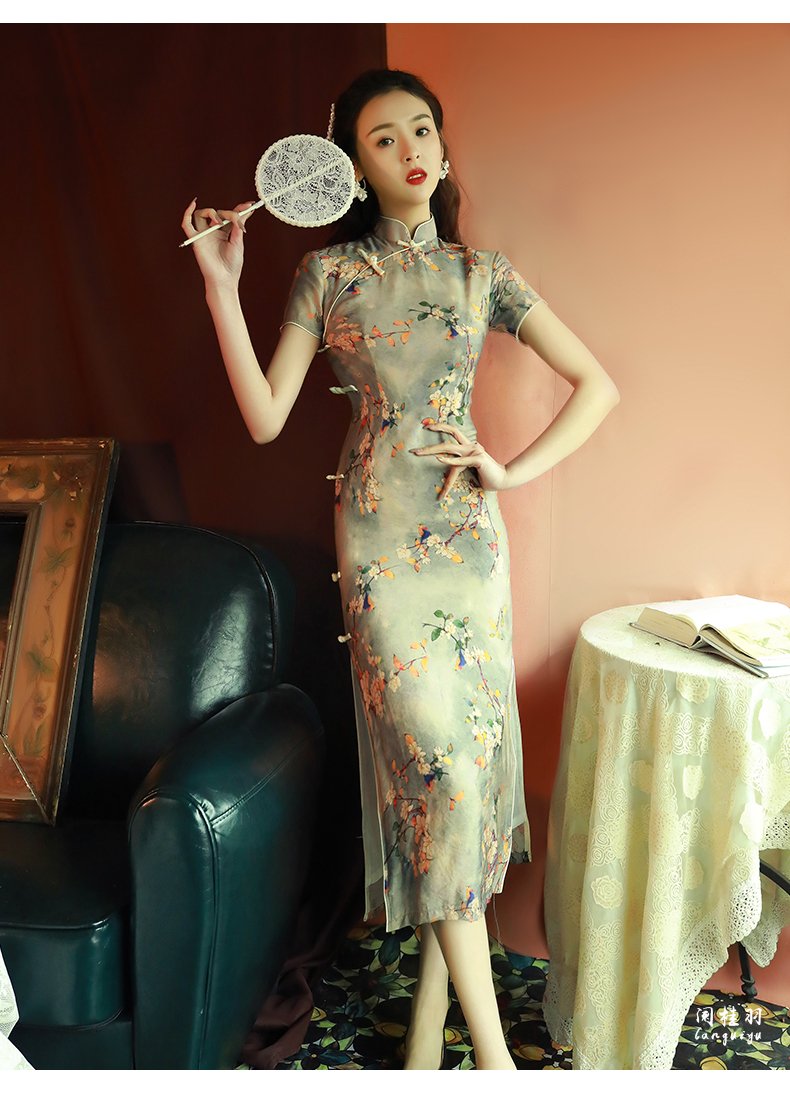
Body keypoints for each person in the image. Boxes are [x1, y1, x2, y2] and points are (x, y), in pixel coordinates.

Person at [181, 68, 619, 1071]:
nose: (411, 149)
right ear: (352, 167)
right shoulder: (328, 275)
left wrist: (510, 470)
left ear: (443, 148)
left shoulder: (483, 272)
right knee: (437, 769)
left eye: (421, 129)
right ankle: (497, 1063)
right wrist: (221, 287)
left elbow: (597, 385)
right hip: (379, 547)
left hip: (468, 547)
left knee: (461, 778)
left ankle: (428, 1021)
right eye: (384, 138)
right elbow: (265, 418)